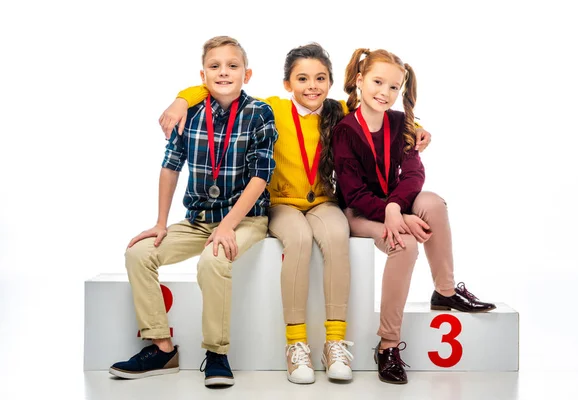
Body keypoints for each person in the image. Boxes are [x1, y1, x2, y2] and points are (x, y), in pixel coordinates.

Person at [157, 43, 431, 384]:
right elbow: (226, 87)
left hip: (323, 203)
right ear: (287, 84)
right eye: (302, 79)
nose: (311, 86)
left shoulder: (338, 113)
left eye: (320, 78)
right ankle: (296, 343)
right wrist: (183, 99)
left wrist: (415, 126)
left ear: (331, 82)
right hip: (281, 203)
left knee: (335, 236)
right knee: (299, 239)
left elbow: (377, 113)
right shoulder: (270, 108)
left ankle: (334, 342)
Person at [108, 36, 277, 388]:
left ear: (247, 74)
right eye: (215, 67)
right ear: (203, 75)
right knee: (139, 253)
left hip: (244, 219)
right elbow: (170, 167)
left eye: (232, 66)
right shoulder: (191, 113)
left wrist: (228, 226)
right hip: (198, 220)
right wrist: (160, 223)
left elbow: (261, 177)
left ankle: (216, 353)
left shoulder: (259, 112)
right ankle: (162, 348)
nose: (223, 73)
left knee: (213, 260)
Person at [332, 48, 496, 385]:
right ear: (360, 81)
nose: (385, 93)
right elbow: (354, 194)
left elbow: (413, 174)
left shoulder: (401, 122)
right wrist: (393, 216)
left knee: (433, 202)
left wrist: (396, 208)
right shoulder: (345, 130)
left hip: (394, 206)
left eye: (394, 87)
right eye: (378, 82)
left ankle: (446, 290)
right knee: (404, 246)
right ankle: (388, 344)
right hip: (361, 213)